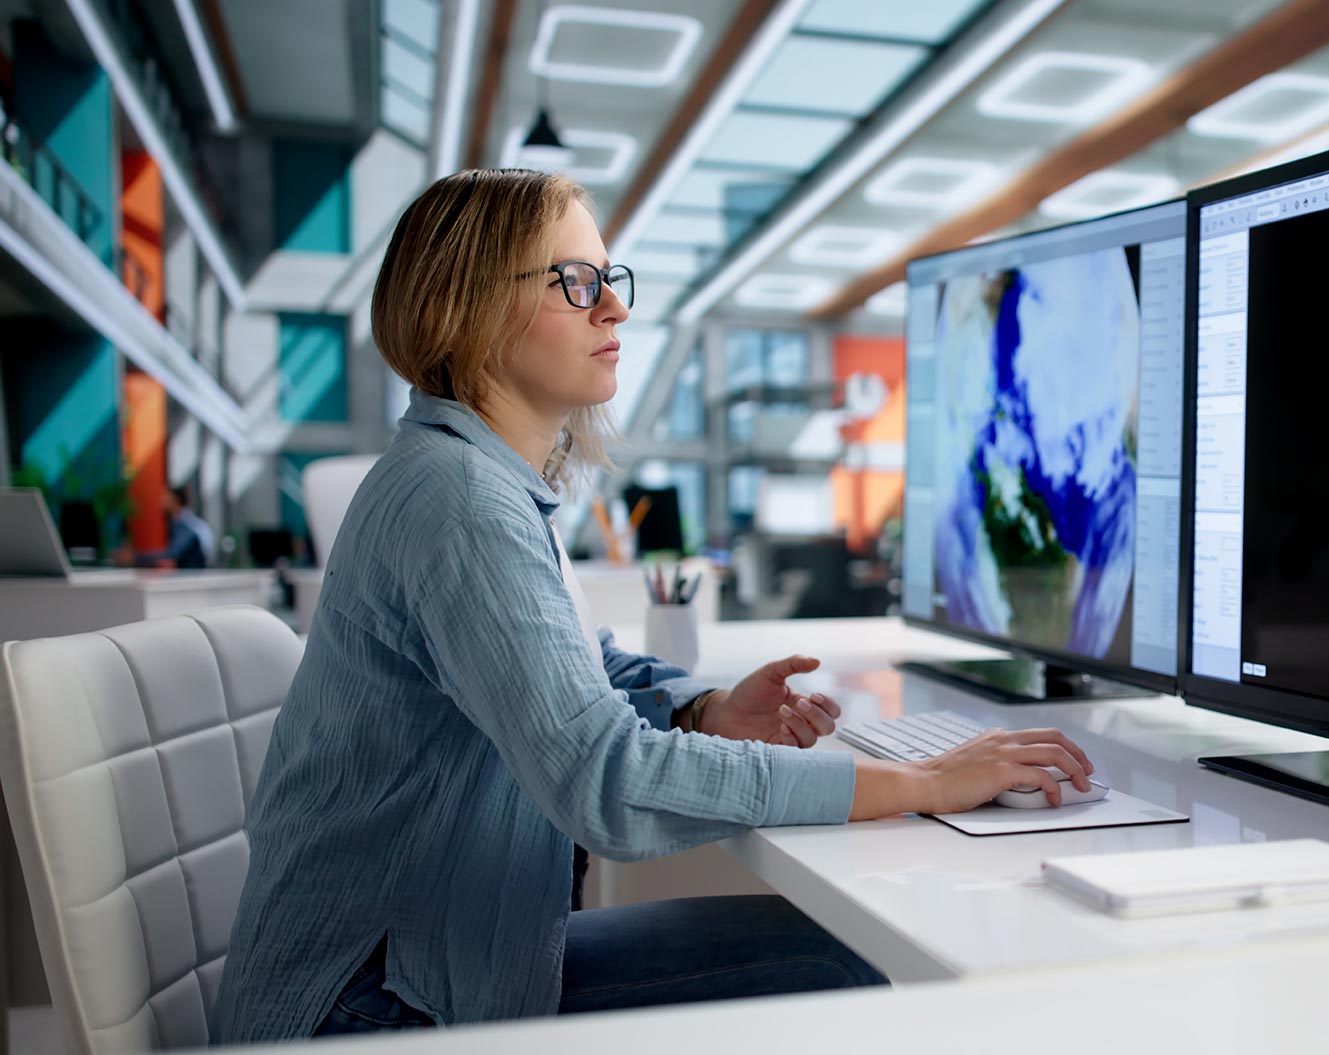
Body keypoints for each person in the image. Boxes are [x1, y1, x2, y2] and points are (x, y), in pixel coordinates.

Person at [210, 168, 1097, 1042]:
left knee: (839, 956)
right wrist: (923, 781)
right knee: (852, 969)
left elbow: (583, 666)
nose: (616, 309)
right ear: (465, 305)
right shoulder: (461, 501)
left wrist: (703, 705)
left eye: (610, 279)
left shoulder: (481, 482)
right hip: (374, 1004)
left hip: (438, 958)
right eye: (577, 281)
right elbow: (606, 780)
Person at [117, 484, 214, 568]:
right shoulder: (176, 524)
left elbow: (172, 554)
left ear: (174, 500)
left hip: (194, 580)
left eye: (165, 497)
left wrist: (135, 558)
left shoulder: (190, 526)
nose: (161, 502)